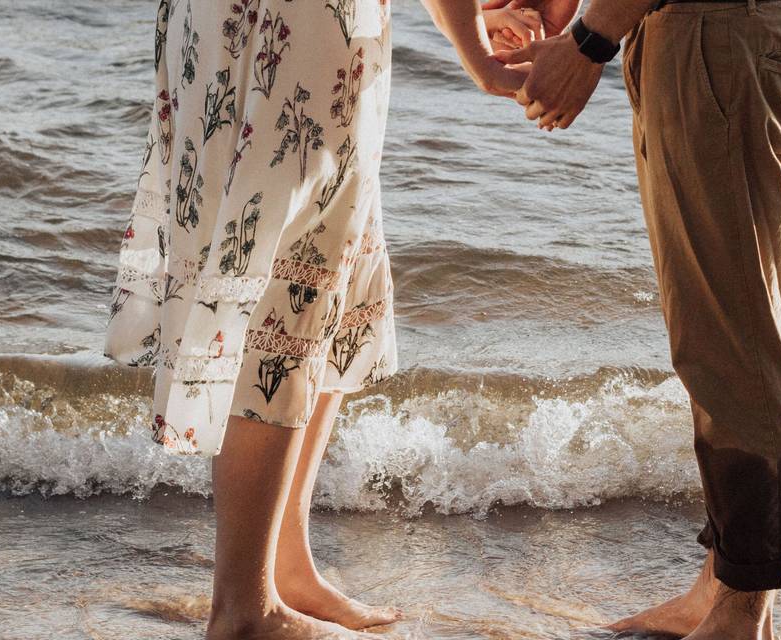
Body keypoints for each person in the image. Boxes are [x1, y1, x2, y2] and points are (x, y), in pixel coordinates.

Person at [103, 1, 534, 638]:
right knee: (284, 274)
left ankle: (284, 563)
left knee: (325, 259)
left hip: (242, 21)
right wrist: (478, 53)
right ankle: (245, 609)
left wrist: (474, 21)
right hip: (296, 27)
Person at [491, 0, 781, 638]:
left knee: (732, 343)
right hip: (709, 31)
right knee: (715, 332)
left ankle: (743, 610)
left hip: (717, 34)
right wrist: (558, 17)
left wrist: (589, 41)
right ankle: (722, 586)